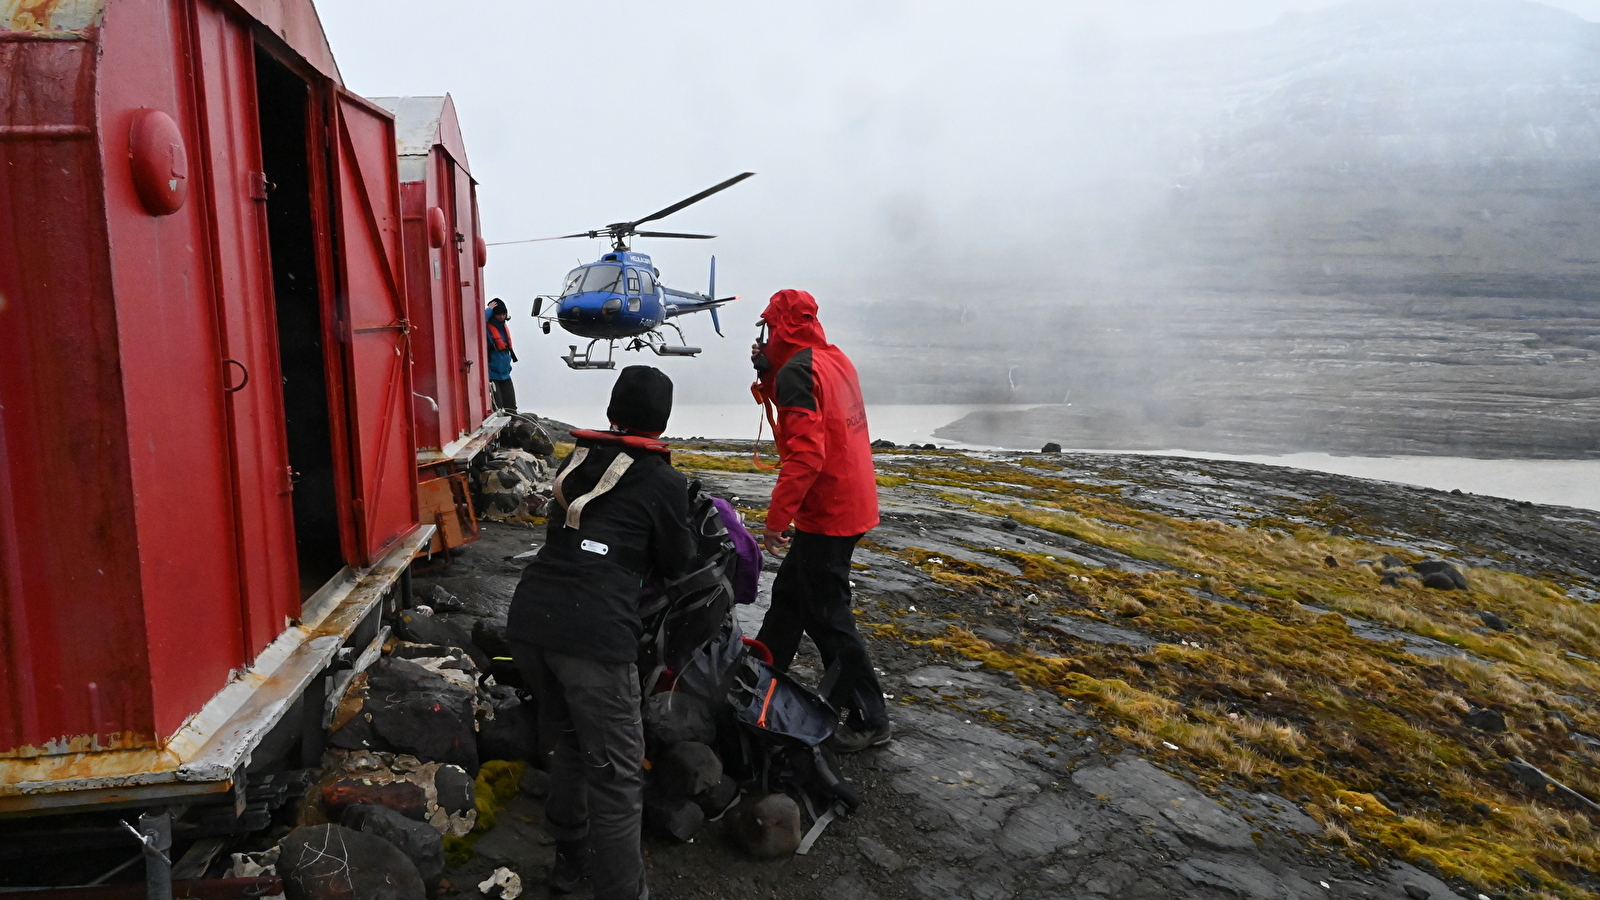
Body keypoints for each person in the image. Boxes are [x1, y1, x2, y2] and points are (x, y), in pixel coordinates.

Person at [505, 366, 694, 900]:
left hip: (531, 620)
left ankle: (569, 864)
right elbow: (678, 562)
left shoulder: (578, 459)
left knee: (569, 739)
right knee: (616, 777)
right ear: (663, 421)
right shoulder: (663, 481)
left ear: (612, 411)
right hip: (594, 636)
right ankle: (623, 891)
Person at [749, 288, 891, 753]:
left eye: (768, 326)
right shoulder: (831, 358)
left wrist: (775, 520)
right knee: (792, 598)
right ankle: (760, 685)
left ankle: (870, 717)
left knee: (828, 614)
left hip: (829, 508)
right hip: (851, 498)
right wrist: (771, 374)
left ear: (779, 326)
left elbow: (806, 455)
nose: (764, 334)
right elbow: (813, 414)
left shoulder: (798, 371)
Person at [486, 298, 517, 410]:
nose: (501, 317)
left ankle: (513, 425)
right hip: (492, 375)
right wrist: (489, 309)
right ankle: (506, 427)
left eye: (503, 314)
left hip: (505, 374)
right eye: (498, 314)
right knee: (498, 407)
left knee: (511, 406)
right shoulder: (485, 327)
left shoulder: (503, 327)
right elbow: (479, 320)